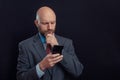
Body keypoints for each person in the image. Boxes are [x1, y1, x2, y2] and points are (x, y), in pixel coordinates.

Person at [16, 6, 83, 80]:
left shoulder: (67, 43)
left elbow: (78, 71)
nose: (50, 27)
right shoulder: (25, 46)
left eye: (53, 22)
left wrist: (57, 47)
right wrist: (41, 66)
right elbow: (20, 78)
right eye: (45, 23)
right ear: (36, 23)